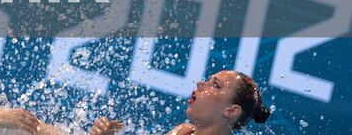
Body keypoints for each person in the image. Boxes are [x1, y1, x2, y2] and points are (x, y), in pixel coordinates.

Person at [97, 70, 271, 135]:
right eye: (207, 80)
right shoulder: (184, 131)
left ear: (231, 111)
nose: (201, 84)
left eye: (215, 85)